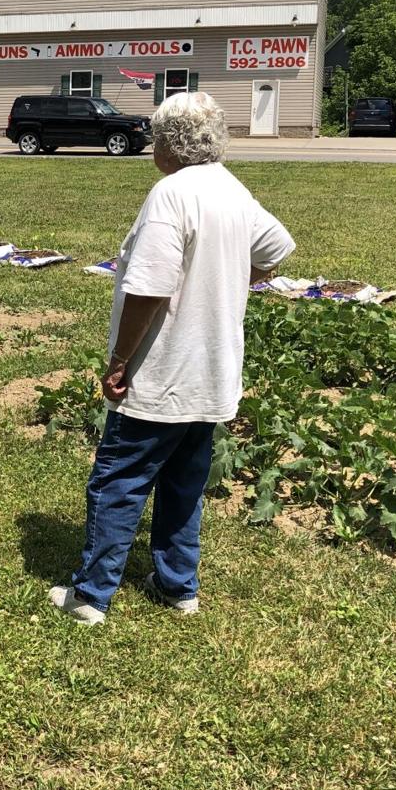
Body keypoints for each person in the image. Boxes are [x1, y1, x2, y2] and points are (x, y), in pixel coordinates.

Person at [49, 91, 295, 625]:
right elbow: (276, 248)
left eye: (153, 136)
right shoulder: (231, 188)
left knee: (119, 480)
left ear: (167, 142)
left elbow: (149, 290)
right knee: (185, 483)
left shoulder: (172, 193)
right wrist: (231, 280)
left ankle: (91, 596)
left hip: (162, 372)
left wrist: (118, 362)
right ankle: (178, 586)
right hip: (213, 372)